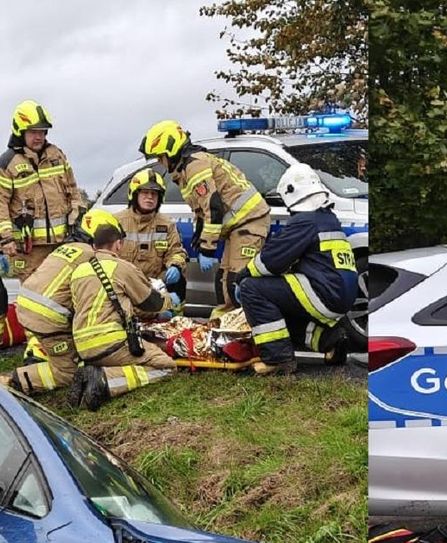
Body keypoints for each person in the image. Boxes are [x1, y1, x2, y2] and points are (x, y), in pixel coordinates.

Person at [234, 163, 357, 375]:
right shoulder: (327, 218)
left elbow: (271, 261)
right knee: (275, 311)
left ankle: (278, 359)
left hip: (324, 293)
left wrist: (241, 276)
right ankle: (330, 340)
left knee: (252, 289)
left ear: (293, 194)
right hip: (338, 294)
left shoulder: (304, 222)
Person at [138, 120, 270, 316]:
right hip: (237, 226)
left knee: (237, 281)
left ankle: (244, 331)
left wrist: (208, 249)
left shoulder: (195, 166)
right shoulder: (187, 168)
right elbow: (201, 212)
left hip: (249, 222)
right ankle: (222, 321)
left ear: (171, 151)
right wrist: (201, 242)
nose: (159, 161)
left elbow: (213, 207)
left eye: (160, 156)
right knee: (223, 278)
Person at [3, 209, 122, 394]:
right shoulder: (92, 258)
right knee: (69, 372)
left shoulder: (69, 248)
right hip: (48, 319)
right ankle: (14, 381)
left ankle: (37, 355)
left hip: (27, 308)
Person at [67, 217, 178, 410]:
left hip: (82, 347)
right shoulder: (121, 267)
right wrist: (170, 301)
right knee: (166, 367)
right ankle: (104, 381)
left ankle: (94, 370)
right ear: (118, 244)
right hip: (111, 343)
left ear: (93, 245)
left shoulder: (78, 271)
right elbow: (151, 302)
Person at [0, 100, 83, 282]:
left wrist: (76, 218)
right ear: (20, 131)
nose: (39, 136)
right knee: (34, 298)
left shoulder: (57, 156)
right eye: (33, 132)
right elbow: (0, 204)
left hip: (62, 243)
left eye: (42, 131)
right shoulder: (7, 164)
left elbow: (73, 191)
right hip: (29, 249)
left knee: (65, 293)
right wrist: (6, 239)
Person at [115, 168, 187, 309]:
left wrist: (175, 266)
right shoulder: (116, 221)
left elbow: (176, 252)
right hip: (124, 289)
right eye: (145, 192)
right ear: (134, 194)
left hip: (155, 290)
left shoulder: (167, 225)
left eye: (154, 194)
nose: (150, 197)